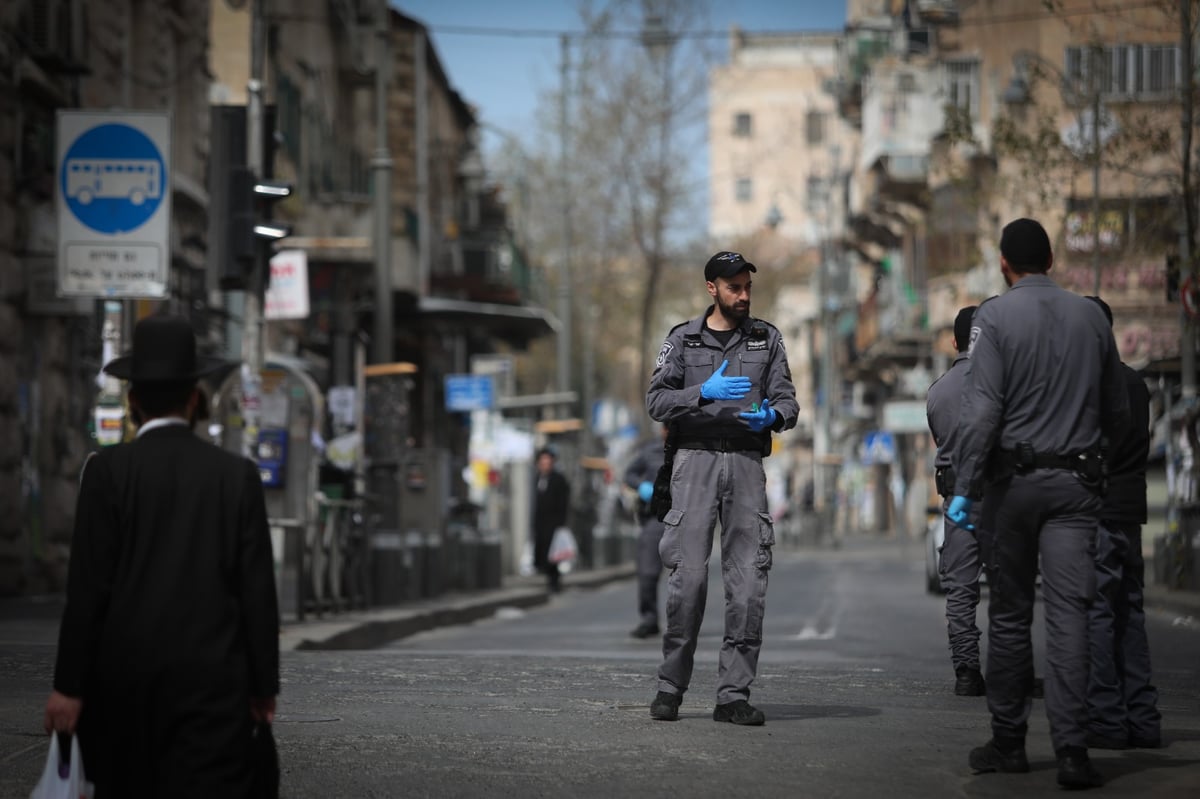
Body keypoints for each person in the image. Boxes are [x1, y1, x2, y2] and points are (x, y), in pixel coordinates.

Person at [42, 314, 280, 797]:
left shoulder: (107, 473)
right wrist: (262, 686)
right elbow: (256, 591)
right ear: (194, 398)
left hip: (121, 690)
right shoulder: (235, 477)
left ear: (132, 402)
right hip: (213, 691)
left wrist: (68, 685)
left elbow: (87, 589)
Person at [947, 219, 1129, 789]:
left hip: (1015, 489)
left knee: (1008, 614)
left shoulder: (994, 317)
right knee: (1071, 616)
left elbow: (981, 415)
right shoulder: (1093, 317)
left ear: (1005, 264)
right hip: (1078, 489)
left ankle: (1009, 742)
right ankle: (1073, 753)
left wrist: (966, 489)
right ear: (1052, 257)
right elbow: (1117, 411)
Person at [645, 250, 798, 726]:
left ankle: (733, 694)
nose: (744, 295)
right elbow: (655, 399)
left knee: (749, 584)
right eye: (734, 287)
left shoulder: (766, 338)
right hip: (695, 462)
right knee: (687, 581)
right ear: (712, 288)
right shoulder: (683, 339)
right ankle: (671, 686)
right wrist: (701, 393)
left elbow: (788, 400)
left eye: (747, 286)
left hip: (747, 462)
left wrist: (773, 415)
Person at [1084, 296, 1162, 751]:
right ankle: (1144, 720)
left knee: (1097, 613)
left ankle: (1108, 720)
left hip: (1099, 509)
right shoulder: (1137, 384)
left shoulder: (1091, 385)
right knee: (1130, 612)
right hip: (1133, 511)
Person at [925, 305, 987, 697]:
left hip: (958, 502)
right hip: (1001, 497)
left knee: (961, 590)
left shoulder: (939, 390)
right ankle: (1015, 668)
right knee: (1011, 589)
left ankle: (966, 672)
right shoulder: (1004, 385)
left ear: (954, 342)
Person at [624, 423, 669, 639]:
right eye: (667, 427)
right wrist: (642, 486)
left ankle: (686, 623)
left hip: (687, 519)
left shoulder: (695, 451)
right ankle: (649, 619)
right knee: (647, 573)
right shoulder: (650, 451)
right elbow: (629, 474)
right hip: (656, 518)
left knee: (692, 578)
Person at [532, 446, 571, 593]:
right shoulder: (537, 478)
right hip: (540, 522)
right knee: (542, 552)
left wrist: (561, 523)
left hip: (554, 523)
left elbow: (563, 503)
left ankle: (554, 582)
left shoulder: (558, 480)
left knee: (554, 554)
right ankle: (548, 579)